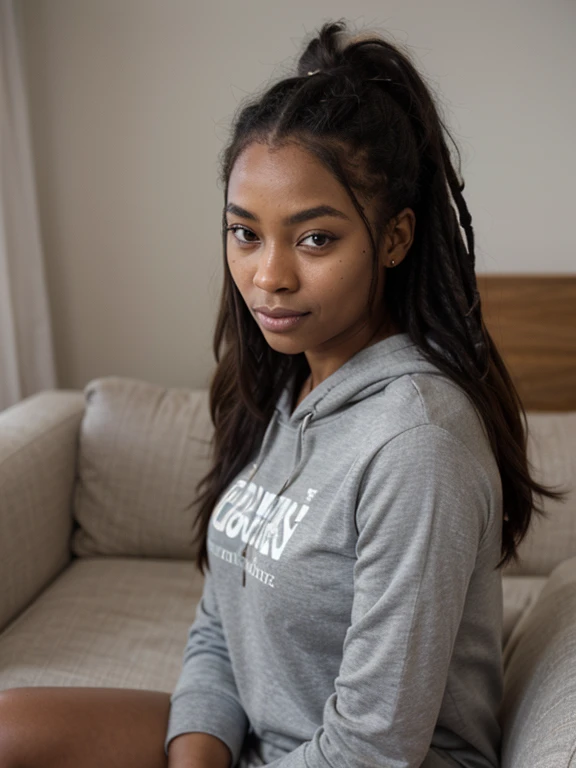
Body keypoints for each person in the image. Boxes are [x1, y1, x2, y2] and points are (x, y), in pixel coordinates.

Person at [0, 18, 567, 768]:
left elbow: (373, 749)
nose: (269, 276)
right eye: (245, 233)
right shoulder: (294, 383)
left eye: (314, 239)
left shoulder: (416, 446)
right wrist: (197, 757)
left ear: (394, 238)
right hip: (266, 747)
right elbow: (218, 628)